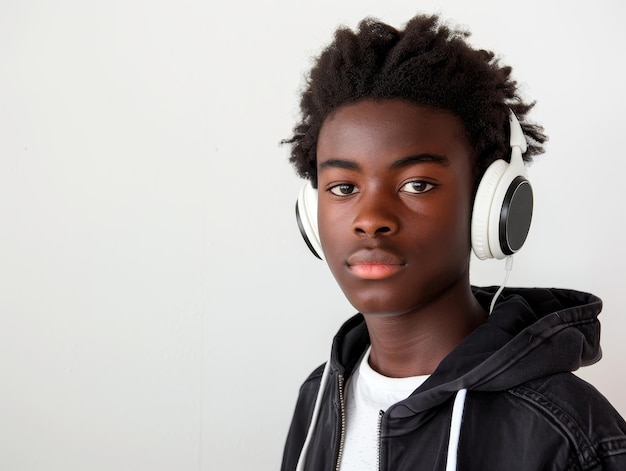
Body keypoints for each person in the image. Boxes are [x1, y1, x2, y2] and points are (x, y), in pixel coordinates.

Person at [280, 13, 626, 471]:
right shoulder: (320, 395)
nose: (371, 220)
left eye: (417, 184)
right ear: (311, 212)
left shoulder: (566, 432)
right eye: (343, 188)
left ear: (491, 206)